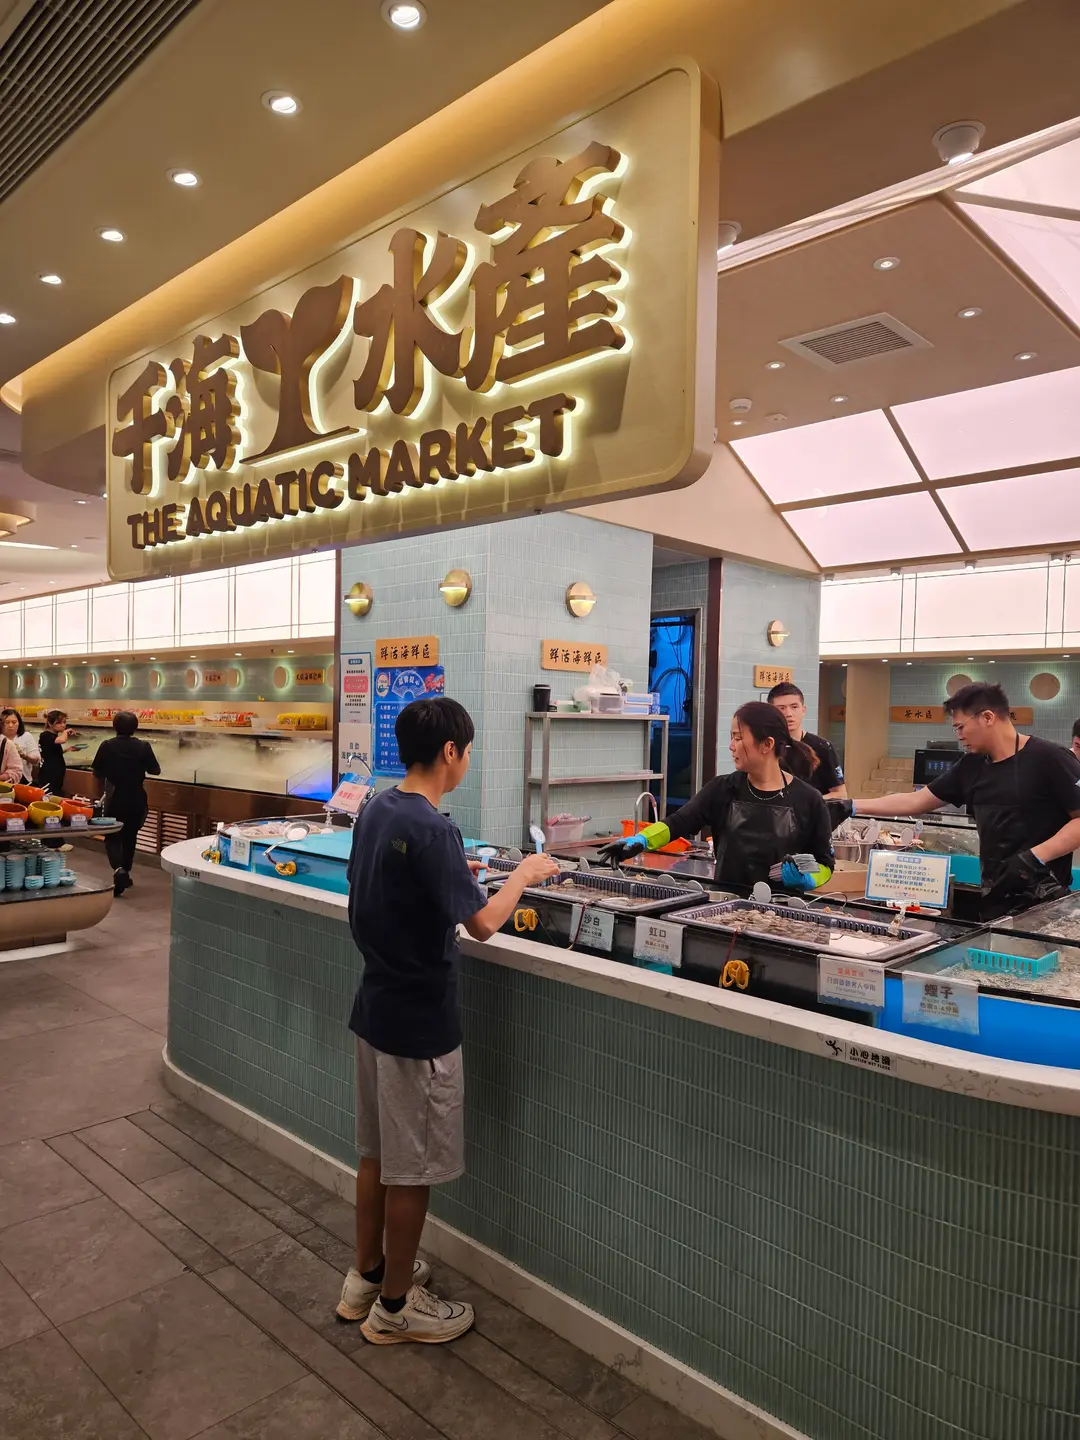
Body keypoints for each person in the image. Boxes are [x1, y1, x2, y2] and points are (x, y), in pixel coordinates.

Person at [337, 695, 559, 1344]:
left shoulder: (378, 806)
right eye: (468, 753)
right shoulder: (434, 829)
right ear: (451, 752)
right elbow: (483, 923)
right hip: (419, 1023)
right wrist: (524, 874)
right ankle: (395, 1310)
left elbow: (380, 887)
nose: (467, 763)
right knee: (413, 1170)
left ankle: (366, 1277)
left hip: (375, 1006)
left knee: (377, 1155)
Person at [841, 682, 1080, 920]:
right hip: (995, 898)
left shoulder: (1050, 758)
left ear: (987, 717)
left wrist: (1033, 857)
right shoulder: (971, 765)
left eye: (961, 726)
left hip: (1047, 902)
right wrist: (852, 805)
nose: (959, 735)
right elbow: (916, 800)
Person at [598, 701, 835, 893]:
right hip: (725, 908)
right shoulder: (723, 788)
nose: (731, 746)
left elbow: (825, 865)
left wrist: (807, 879)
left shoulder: (809, 800)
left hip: (782, 915)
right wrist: (641, 841)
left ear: (767, 744)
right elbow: (678, 823)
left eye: (738, 738)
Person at [90, 711, 161, 896]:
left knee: (112, 835)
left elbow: (97, 772)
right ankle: (125, 871)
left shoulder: (107, 746)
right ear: (136, 727)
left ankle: (118, 869)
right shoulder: (143, 746)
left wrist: (98, 795)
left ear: (114, 726)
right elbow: (156, 770)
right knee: (131, 835)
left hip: (114, 797)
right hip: (137, 797)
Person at [767, 681, 847, 798]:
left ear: (803, 710)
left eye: (794, 707)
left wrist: (810, 803)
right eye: (781, 708)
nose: (788, 713)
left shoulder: (822, 747)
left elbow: (840, 794)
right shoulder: (765, 746)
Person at [38, 710, 79, 794]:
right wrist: (65, 732)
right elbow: (63, 740)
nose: (63, 725)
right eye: (59, 723)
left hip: (57, 773)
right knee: (48, 794)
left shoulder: (54, 736)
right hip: (49, 773)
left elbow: (52, 752)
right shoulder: (45, 735)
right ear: (50, 723)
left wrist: (68, 749)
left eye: (64, 722)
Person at [0, 709, 41, 783]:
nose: (10, 725)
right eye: (7, 722)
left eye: (14, 722)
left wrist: (24, 756)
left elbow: (37, 760)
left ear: (19, 723)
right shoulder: (1, 739)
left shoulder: (26, 736)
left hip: (22, 777)